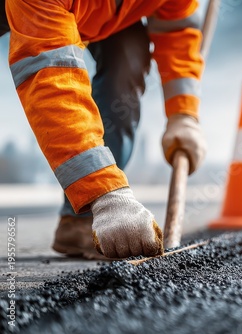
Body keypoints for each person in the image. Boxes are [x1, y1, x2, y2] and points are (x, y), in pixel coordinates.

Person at [2, 0, 207, 259]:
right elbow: (52, 79)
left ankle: (81, 221)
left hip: (105, 18)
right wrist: (105, 192)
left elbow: (176, 31)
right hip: (41, 10)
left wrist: (183, 114)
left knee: (128, 54)